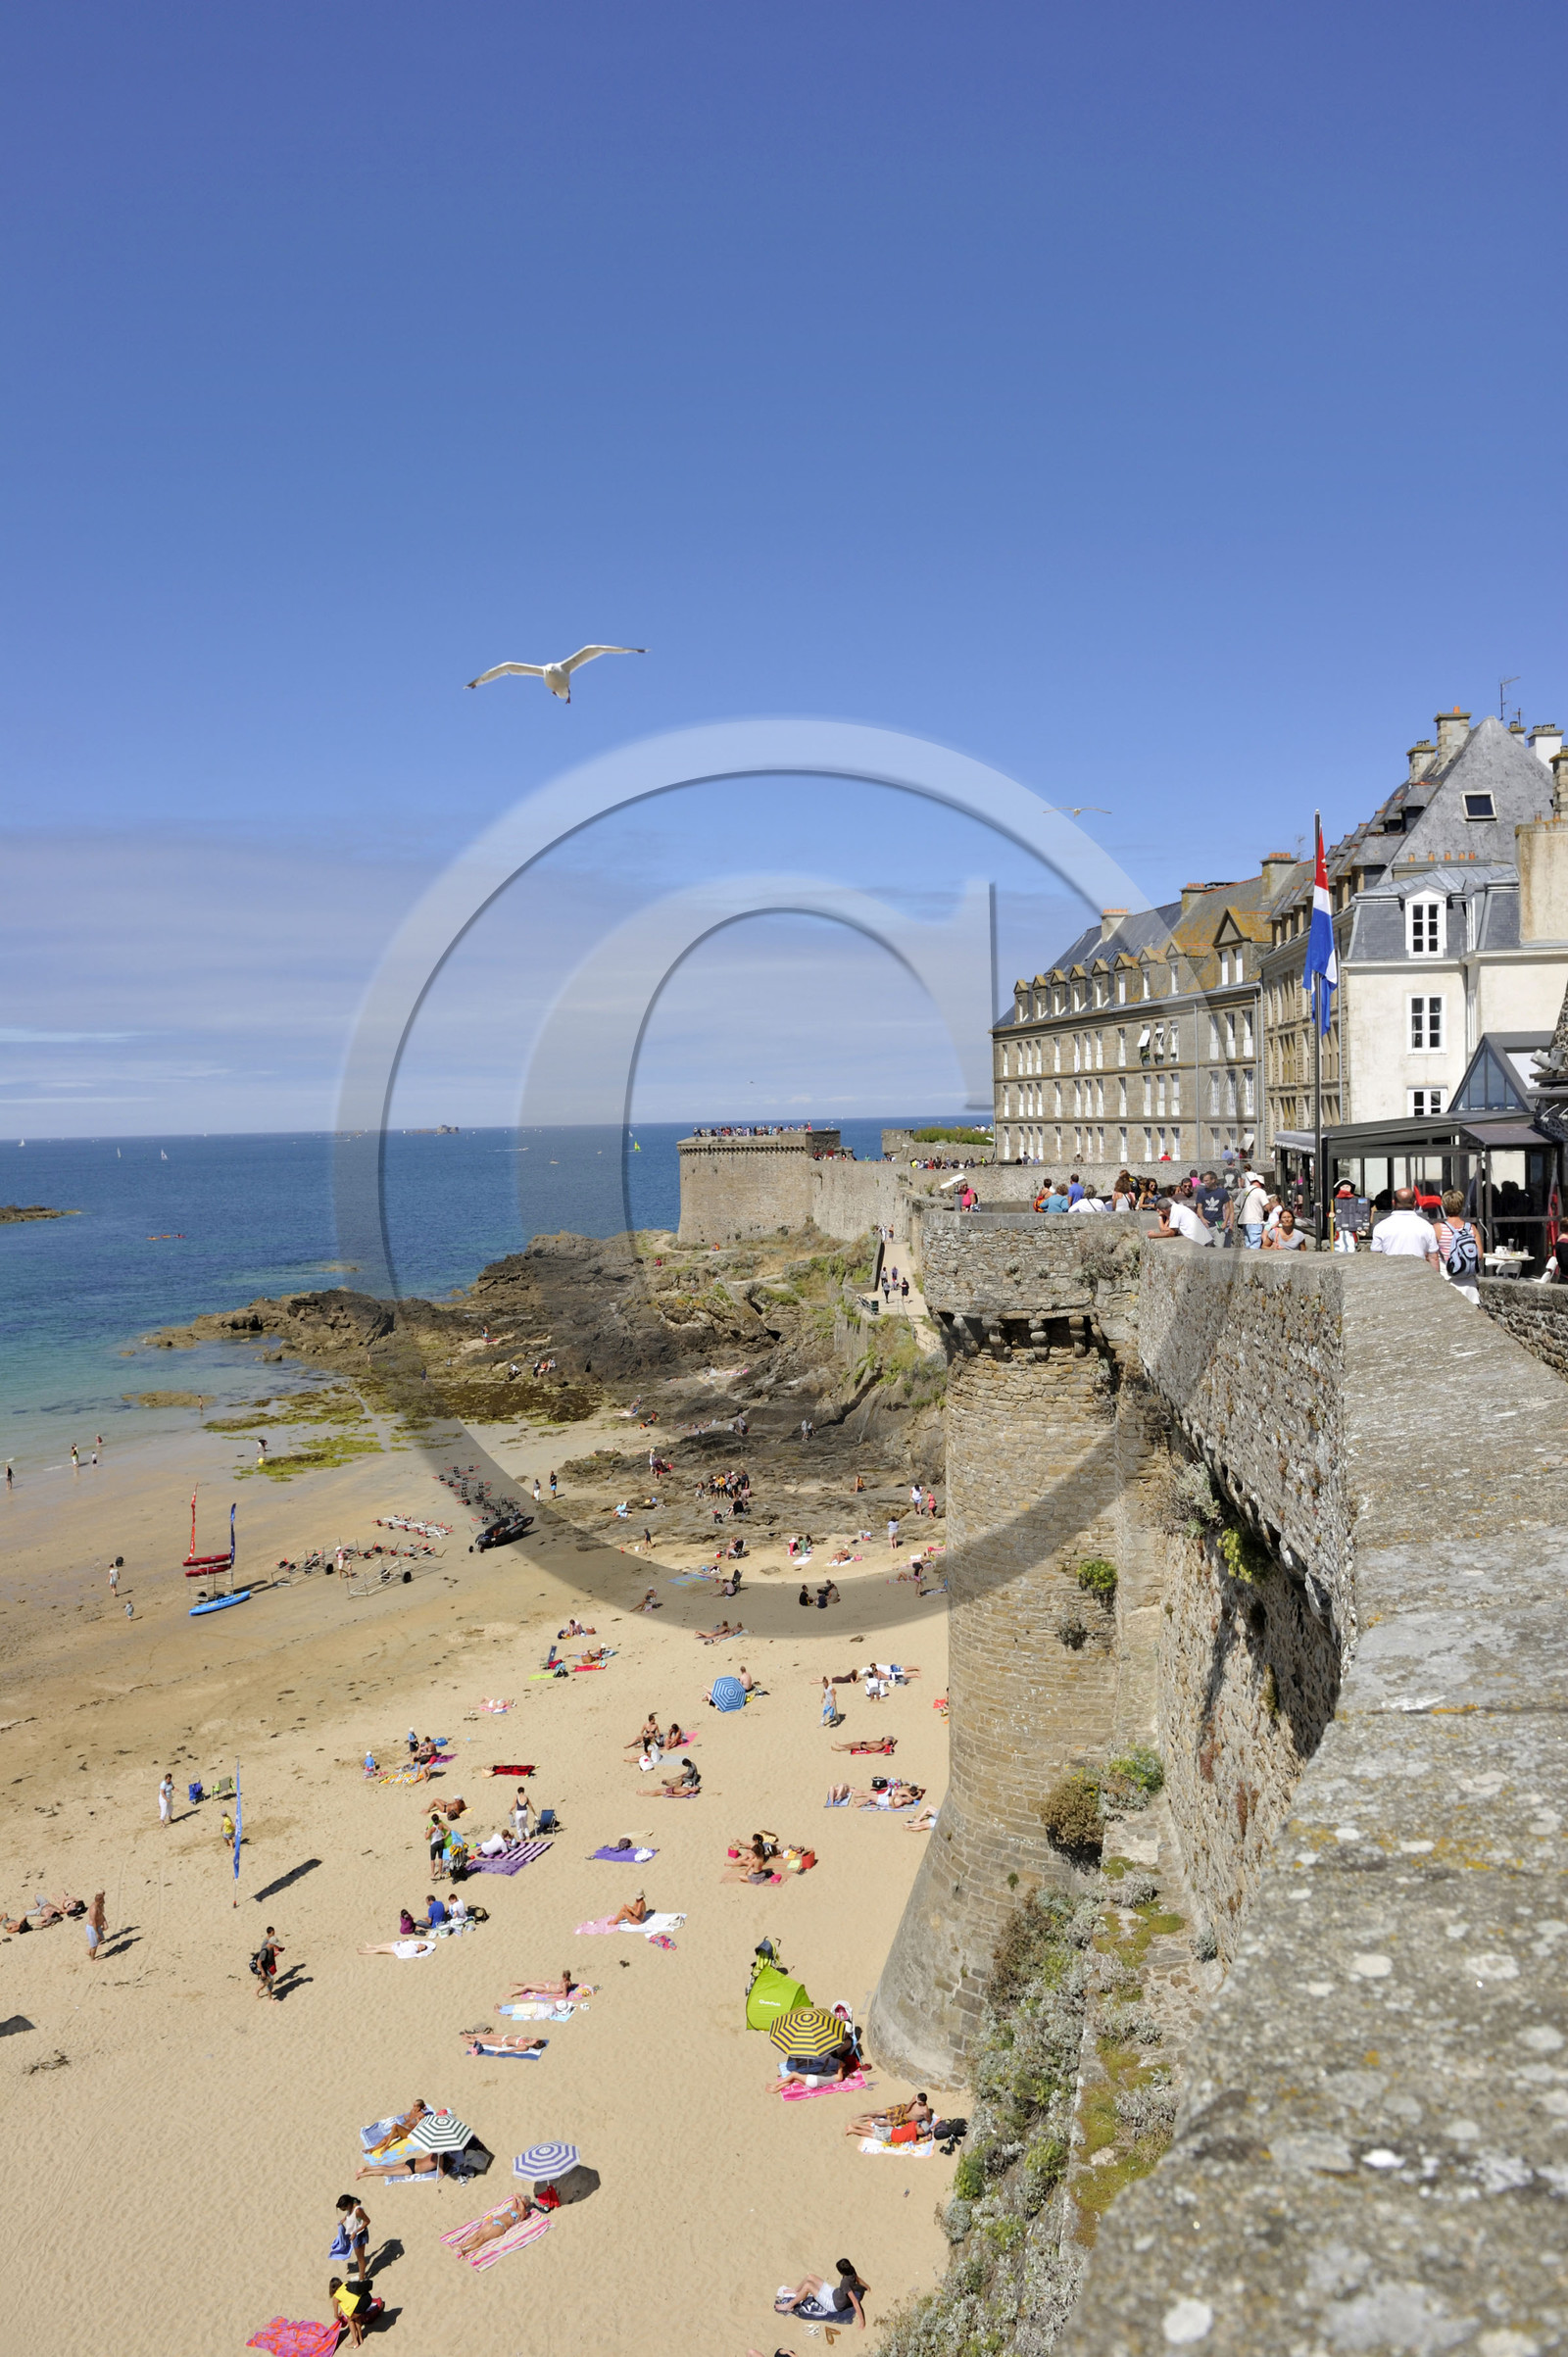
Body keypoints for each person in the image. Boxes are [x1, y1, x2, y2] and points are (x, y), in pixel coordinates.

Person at [778, 2260, 869, 2328]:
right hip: (834, 2293)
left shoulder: (845, 2283)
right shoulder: (851, 2270)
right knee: (810, 2277)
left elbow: (855, 2302)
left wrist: (862, 2321)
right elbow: (858, 2279)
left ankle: (789, 2306)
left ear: (841, 2272)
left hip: (833, 2304)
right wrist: (867, 2287)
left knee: (808, 2286)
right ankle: (796, 2290)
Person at [1434, 1187, 1484, 1303]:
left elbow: (1432, 1256)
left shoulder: (1438, 1228)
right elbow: (1479, 1255)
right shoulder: (1471, 1228)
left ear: (1444, 1206)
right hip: (1469, 1283)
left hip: (1448, 1279)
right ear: (1461, 1206)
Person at [452, 2191, 541, 2256]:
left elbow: (520, 2202)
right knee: (478, 2234)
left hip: (501, 2226)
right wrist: (516, 2196)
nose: (521, 2200)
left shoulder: (523, 2212)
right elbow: (514, 2197)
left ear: (526, 2203)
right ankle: (461, 2246)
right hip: (496, 2221)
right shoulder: (515, 2207)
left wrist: (521, 2198)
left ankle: (466, 2251)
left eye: (523, 2199)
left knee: (483, 2238)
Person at [1369, 1186, 1440, 1265]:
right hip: (1419, 1274)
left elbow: (1375, 1257)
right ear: (1415, 1203)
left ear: (1393, 1203)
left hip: (1390, 1274)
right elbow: (1433, 1258)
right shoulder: (1427, 1227)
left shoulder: (1380, 1227)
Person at [845, 2092, 932, 2139]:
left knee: (882, 2123)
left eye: (917, 2101)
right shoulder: (915, 2100)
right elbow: (906, 2109)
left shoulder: (925, 2111)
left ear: (922, 2102)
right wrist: (912, 2101)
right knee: (880, 2113)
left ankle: (869, 2118)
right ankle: (863, 2114)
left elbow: (928, 2120)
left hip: (905, 2118)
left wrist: (927, 2129)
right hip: (902, 2108)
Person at [328, 2276, 385, 2345]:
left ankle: (355, 2342)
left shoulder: (336, 2297)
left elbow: (336, 2315)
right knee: (356, 2317)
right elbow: (348, 2298)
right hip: (367, 2298)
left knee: (350, 2319)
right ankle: (360, 2338)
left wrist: (340, 2317)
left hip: (360, 2305)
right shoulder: (346, 2284)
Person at [334, 2194, 372, 2285]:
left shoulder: (358, 2210)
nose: (345, 2210)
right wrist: (343, 2220)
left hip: (359, 2235)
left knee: (360, 2258)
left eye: (344, 2208)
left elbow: (367, 2221)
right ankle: (361, 2275)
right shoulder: (350, 2207)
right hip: (354, 2234)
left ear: (349, 2204)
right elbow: (349, 2215)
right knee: (359, 2257)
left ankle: (361, 2278)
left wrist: (355, 2232)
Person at [1236, 1170, 1268, 1252]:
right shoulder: (1260, 1191)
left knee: (1248, 1243)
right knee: (1255, 1244)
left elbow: (1237, 1204)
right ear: (1261, 1184)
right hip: (1255, 1220)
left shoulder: (1244, 1190)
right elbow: (1267, 1206)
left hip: (1244, 1221)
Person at [252, 1927, 284, 2000]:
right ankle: (266, 1997)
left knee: (265, 1981)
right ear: (269, 1933)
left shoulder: (271, 1942)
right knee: (268, 1981)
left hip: (268, 1964)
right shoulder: (265, 1944)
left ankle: (256, 1991)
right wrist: (263, 1971)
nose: (273, 1934)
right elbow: (260, 1959)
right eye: (272, 1933)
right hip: (265, 1966)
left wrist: (276, 1952)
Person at [84, 1890, 106, 1961]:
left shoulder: (98, 1905)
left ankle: (89, 1951)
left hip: (97, 1926)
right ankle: (92, 1959)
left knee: (101, 1939)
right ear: (100, 1900)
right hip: (92, 1928)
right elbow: (93, 1922)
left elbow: (101, 1914)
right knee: (94, 1946)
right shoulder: (94, 1909)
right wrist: (97, 1933)